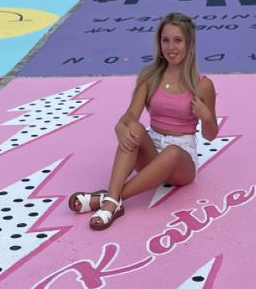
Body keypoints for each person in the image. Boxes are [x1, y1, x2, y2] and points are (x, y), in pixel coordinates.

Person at [69, 12, 218, 230]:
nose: (171, 47)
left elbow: (210, 135)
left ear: (189, 43)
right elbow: (131, 115)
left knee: (173, 151)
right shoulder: (150, 75)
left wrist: (206, 116)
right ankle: (112, 201)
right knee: (135, 128)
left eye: (178, 40)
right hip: (152, 149)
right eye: (165, 40)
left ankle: (109, 200)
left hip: (181, 160)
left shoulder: (203, 84)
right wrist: (120, 126)